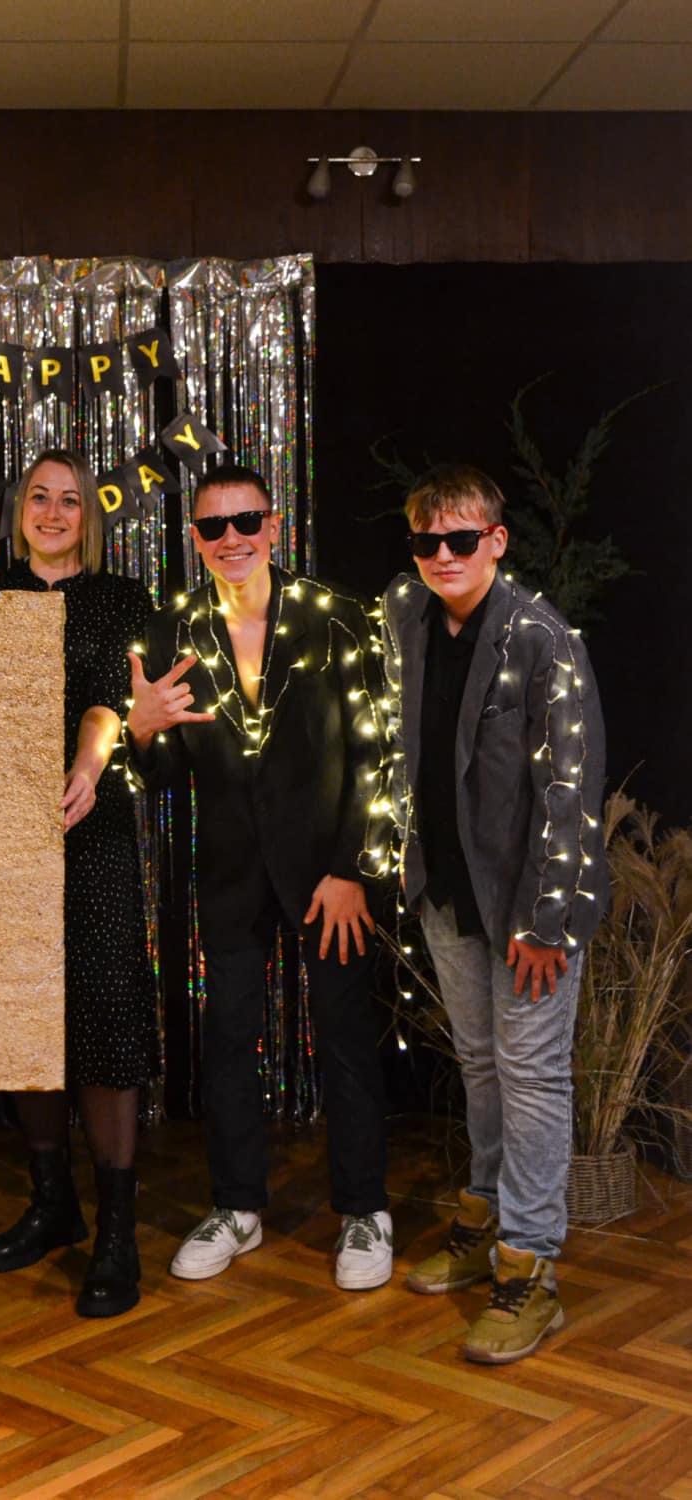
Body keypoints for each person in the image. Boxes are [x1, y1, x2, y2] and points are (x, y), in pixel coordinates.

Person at [125, 462, 392, 1290]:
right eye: (213, 526)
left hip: (329, 873)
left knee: (346, 1037)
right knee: (227, 1043)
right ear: (195, 538)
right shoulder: (172, 631)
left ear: (273, 526)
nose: (231, 538)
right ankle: (236, 1207)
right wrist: (141, 731)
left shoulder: (335, 617)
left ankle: (364, 1210)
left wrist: (351, 868)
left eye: (246, 521)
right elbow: (164, 777)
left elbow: (379, 753)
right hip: (231, 873)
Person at [382, 462, 607, 1364]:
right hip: (444, 890)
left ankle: (530, 1270)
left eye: (460, 538)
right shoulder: (405, 614)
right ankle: (484, 1221)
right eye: (426, 540)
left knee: (532, 1077)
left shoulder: (541, 637)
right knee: (480, 1064)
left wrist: (547, 921)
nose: (443, 554)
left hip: (524, 909)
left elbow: (571, 788)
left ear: (495, 541)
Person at [0, 448, 156, 1319]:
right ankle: (52, 1203)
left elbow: (109, 699)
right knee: (22, 1016)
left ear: (87, 516)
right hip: (3, 831)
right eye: (40, 497)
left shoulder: (120, 598)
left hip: (87, 826)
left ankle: (117, 1231)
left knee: (101, 1014)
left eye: (70, 500)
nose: (54, 512)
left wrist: (88, 765)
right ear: (19, 510)